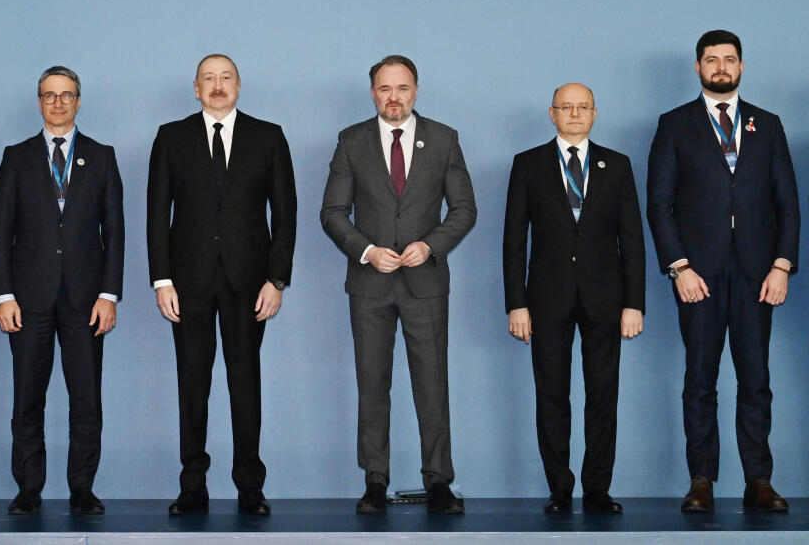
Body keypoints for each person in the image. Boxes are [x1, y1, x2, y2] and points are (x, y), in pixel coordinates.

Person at [646, 30, 799, 513]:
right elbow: (659, 203)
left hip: (758, 273)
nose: (720, 67)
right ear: (697, 67)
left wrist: (782, 265)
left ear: (741, 66)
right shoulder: (675, 124)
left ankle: (759, 480)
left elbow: (788, 203)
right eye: (711, 59)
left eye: (729, 59)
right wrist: (679, 268)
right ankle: (701, 480)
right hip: (699, 274)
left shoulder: (767, 124)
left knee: (756, 380)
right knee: (700, 380)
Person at [320, 55, 476, 514]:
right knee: (372, 385)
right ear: (373, 93)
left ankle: (439, 481)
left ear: (416, 90)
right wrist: (366, 250)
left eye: (402, 88)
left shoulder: (444, 139)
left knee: (433, 384)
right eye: (385, 89)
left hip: (426, 283)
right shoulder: (351, 141)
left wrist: (430, 245)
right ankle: (375, 480)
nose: (394, 97)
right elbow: (332, 212)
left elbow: (464, 209)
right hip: (369, 284)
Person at [147, 54, 296, 516]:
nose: (217, 85)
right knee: (192, 385)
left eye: (225, 77)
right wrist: (161, 280)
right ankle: (192, 486)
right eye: (208, 79)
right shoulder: (171, 137)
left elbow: (285, 214)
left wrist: (276, 279)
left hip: (249, 283)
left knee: (245, 383)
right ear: (196, 88)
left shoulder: (268, 137)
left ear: (239, 84)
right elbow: (156, 215)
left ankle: (250, 486)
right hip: (186, 284)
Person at [502, 83, 645, 514]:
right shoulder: (528, 164)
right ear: (552, 114)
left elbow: (632, 241)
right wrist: (516, 303)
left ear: (595, 114)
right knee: (552, 395)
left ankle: (597, 489)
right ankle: (560, 489)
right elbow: (514, 240)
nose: (575, 114)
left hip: (606, 299)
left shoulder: (617, 165)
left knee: (603, 395)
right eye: (567, 107)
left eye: (583, 107)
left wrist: (634, 303)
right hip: (546, 299)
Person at [0, 66, 124, 515]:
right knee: (27, 398)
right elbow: (0, 230)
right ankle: (29, 487)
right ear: (39, 102)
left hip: (87, 301)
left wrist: (109, 295)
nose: (58, 103)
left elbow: (115, 231)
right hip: (28, 300)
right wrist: (4, 295)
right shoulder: (16, 157)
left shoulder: (101, 156)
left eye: (67, 95)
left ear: (78, 101)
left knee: (86, 400)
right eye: (50, 95)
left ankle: (82, 487)